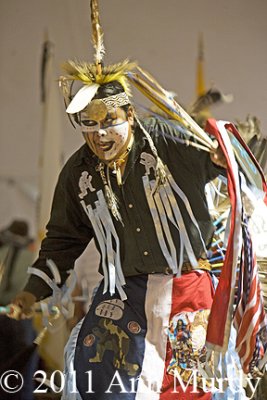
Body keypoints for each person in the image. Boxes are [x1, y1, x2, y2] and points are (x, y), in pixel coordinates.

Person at [9, 1, 266, 399]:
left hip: (189, 291)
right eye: (87, 125)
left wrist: (219, 157)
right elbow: (61, 241)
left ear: (129, 114)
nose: (99, 134)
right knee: (99, 384)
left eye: (108, 121)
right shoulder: (78, 173)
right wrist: (31, 292)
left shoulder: (169, 139)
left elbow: (215, 158)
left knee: (194, 391)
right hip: (123, 296)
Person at [0, 219, 38, 400]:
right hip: (3, 313)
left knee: (23, 362)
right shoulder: (5, 252)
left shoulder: (32, 255)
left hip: (21, 315)